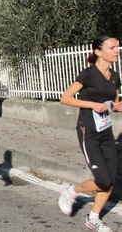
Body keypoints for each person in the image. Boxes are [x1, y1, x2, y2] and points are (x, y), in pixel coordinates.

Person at [58, 35, 122, 232]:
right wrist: (92, 104)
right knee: (103, 180)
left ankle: (93, 218)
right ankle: (71, 191)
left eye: (118, 47)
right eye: (112, 47)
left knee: (109, 179)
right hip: (88, 131)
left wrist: (117, 106)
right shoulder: (88, 74)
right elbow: (65, 98)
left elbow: (113, 102)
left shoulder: (115, 76)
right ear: (98, 52)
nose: (117, 50)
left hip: (106, 131)